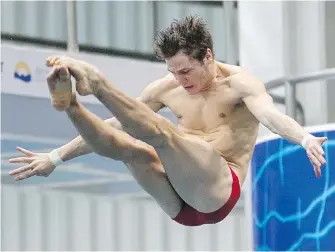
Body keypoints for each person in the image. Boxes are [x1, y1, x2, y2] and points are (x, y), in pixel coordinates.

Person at [8, 15, 327, 226]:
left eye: (186, 71)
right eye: (172, 71)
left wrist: (304, 138)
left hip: (216, 191)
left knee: (163, 136)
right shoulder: (167, 88)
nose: (179, 80)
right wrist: (55, 157)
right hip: (179, 204)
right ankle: (74, 106)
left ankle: (100, 85)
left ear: (209, 56)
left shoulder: (240, 85)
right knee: (130, 150)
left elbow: (270, 116)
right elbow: (117, 125)